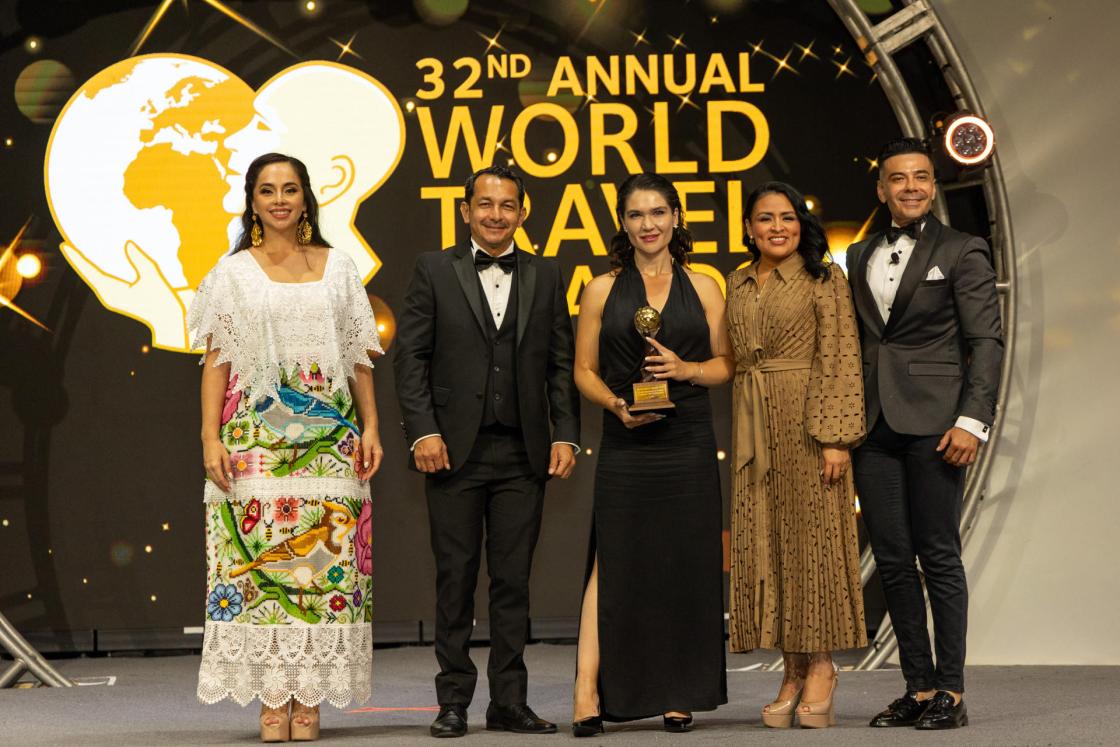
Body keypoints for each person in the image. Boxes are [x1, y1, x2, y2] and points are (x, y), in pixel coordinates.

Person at [189, 153, 383, 742]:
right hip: (255, 440)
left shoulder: (339, 267)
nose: (279, 199)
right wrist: (209, 437)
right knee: (263, 563)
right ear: (252, 201)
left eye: (290, 189)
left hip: (331, 441)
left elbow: (358, 358)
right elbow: (217, 360)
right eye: (267, 190)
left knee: (325, 565)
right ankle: (274, 696)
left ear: (305, 199)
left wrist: (371, 427)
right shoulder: (231, 274)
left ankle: (311, 697)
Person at [393, 165, 580, 738]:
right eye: (485, 204)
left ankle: (508, 701)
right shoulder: (433, 268)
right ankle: (453, 701)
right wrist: (422, 431)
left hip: (523, 454)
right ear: (466, 210)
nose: (496, 215)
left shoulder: (546, 274)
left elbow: (559, 363)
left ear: (522, 213)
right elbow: (410, 359)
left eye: (507, 206)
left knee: (513, 582)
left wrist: (565, 433)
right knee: (455, 578)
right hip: (452, 452)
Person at [846, 138, 1003, 730]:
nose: (910, 187)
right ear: (881, 188)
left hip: (939, 425)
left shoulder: (963, 250)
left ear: (933, 186)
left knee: (937, 553)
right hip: (873, 424)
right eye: (898, 178)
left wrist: (972, 421)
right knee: (890, 558)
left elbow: (986, 341)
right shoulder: (858, 253)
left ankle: (952, 693)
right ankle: (916, 686)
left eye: (921, 177)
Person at [570, 173, 732, 736]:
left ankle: (677, 690)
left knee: (682, 562)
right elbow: (582, 371)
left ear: (676, 217)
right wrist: (616, 405)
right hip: (626, 440)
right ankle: (586, 690)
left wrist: (687, 370)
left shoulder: (706, 285)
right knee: (611, 561)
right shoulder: (600, 289)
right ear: (623, 223)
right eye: (637, 215)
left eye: (658, 212)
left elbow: (725, 364)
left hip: (686, 438)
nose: (648, 224)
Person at [725, 182, 868, 729]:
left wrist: (835, 435)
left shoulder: (823, 277)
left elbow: (840, 353)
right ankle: (791, 668)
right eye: (765, 219)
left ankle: (823, 669)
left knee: (815, 547)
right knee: (769, 546)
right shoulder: (737, 282)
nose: (777, 227)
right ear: (748, 228)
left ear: (800, 224)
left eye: (787, 217)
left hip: (810, 425)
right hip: (753, 425)